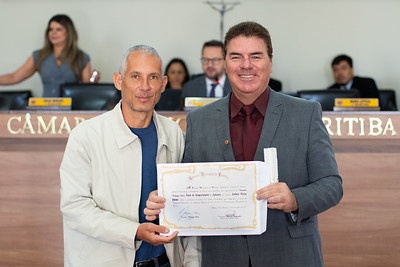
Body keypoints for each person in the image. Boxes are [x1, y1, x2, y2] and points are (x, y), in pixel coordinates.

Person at [145, 21, 343, 267]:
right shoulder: (199, 120)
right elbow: (189, 188)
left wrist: (294, 199)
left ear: (270, 62)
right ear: (226, 63)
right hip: (222, 257)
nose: (246, 65)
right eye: (236, 56)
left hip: (291, 255)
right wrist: (166, 200)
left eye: (256, 56)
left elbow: (332, 185)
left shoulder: (305, 114)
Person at [60, 45, 200, 267]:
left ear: (163, 84)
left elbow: (188, 199)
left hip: (163, 260)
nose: (144, 87)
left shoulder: (173, 133)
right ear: (118, 81)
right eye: (135, 76)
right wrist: (134, 231)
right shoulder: (85, 136)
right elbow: (75, 208)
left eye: (152, 77)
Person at [0, 14, 96, 97]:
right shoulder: (39, 56)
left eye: (58, 29)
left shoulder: (82, 57)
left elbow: (86, 89)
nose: (53, 33)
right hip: (46, 110)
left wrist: (94, 81)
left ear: (69, 32)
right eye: (50, 29)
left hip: (72, 111)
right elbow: (14, 77)